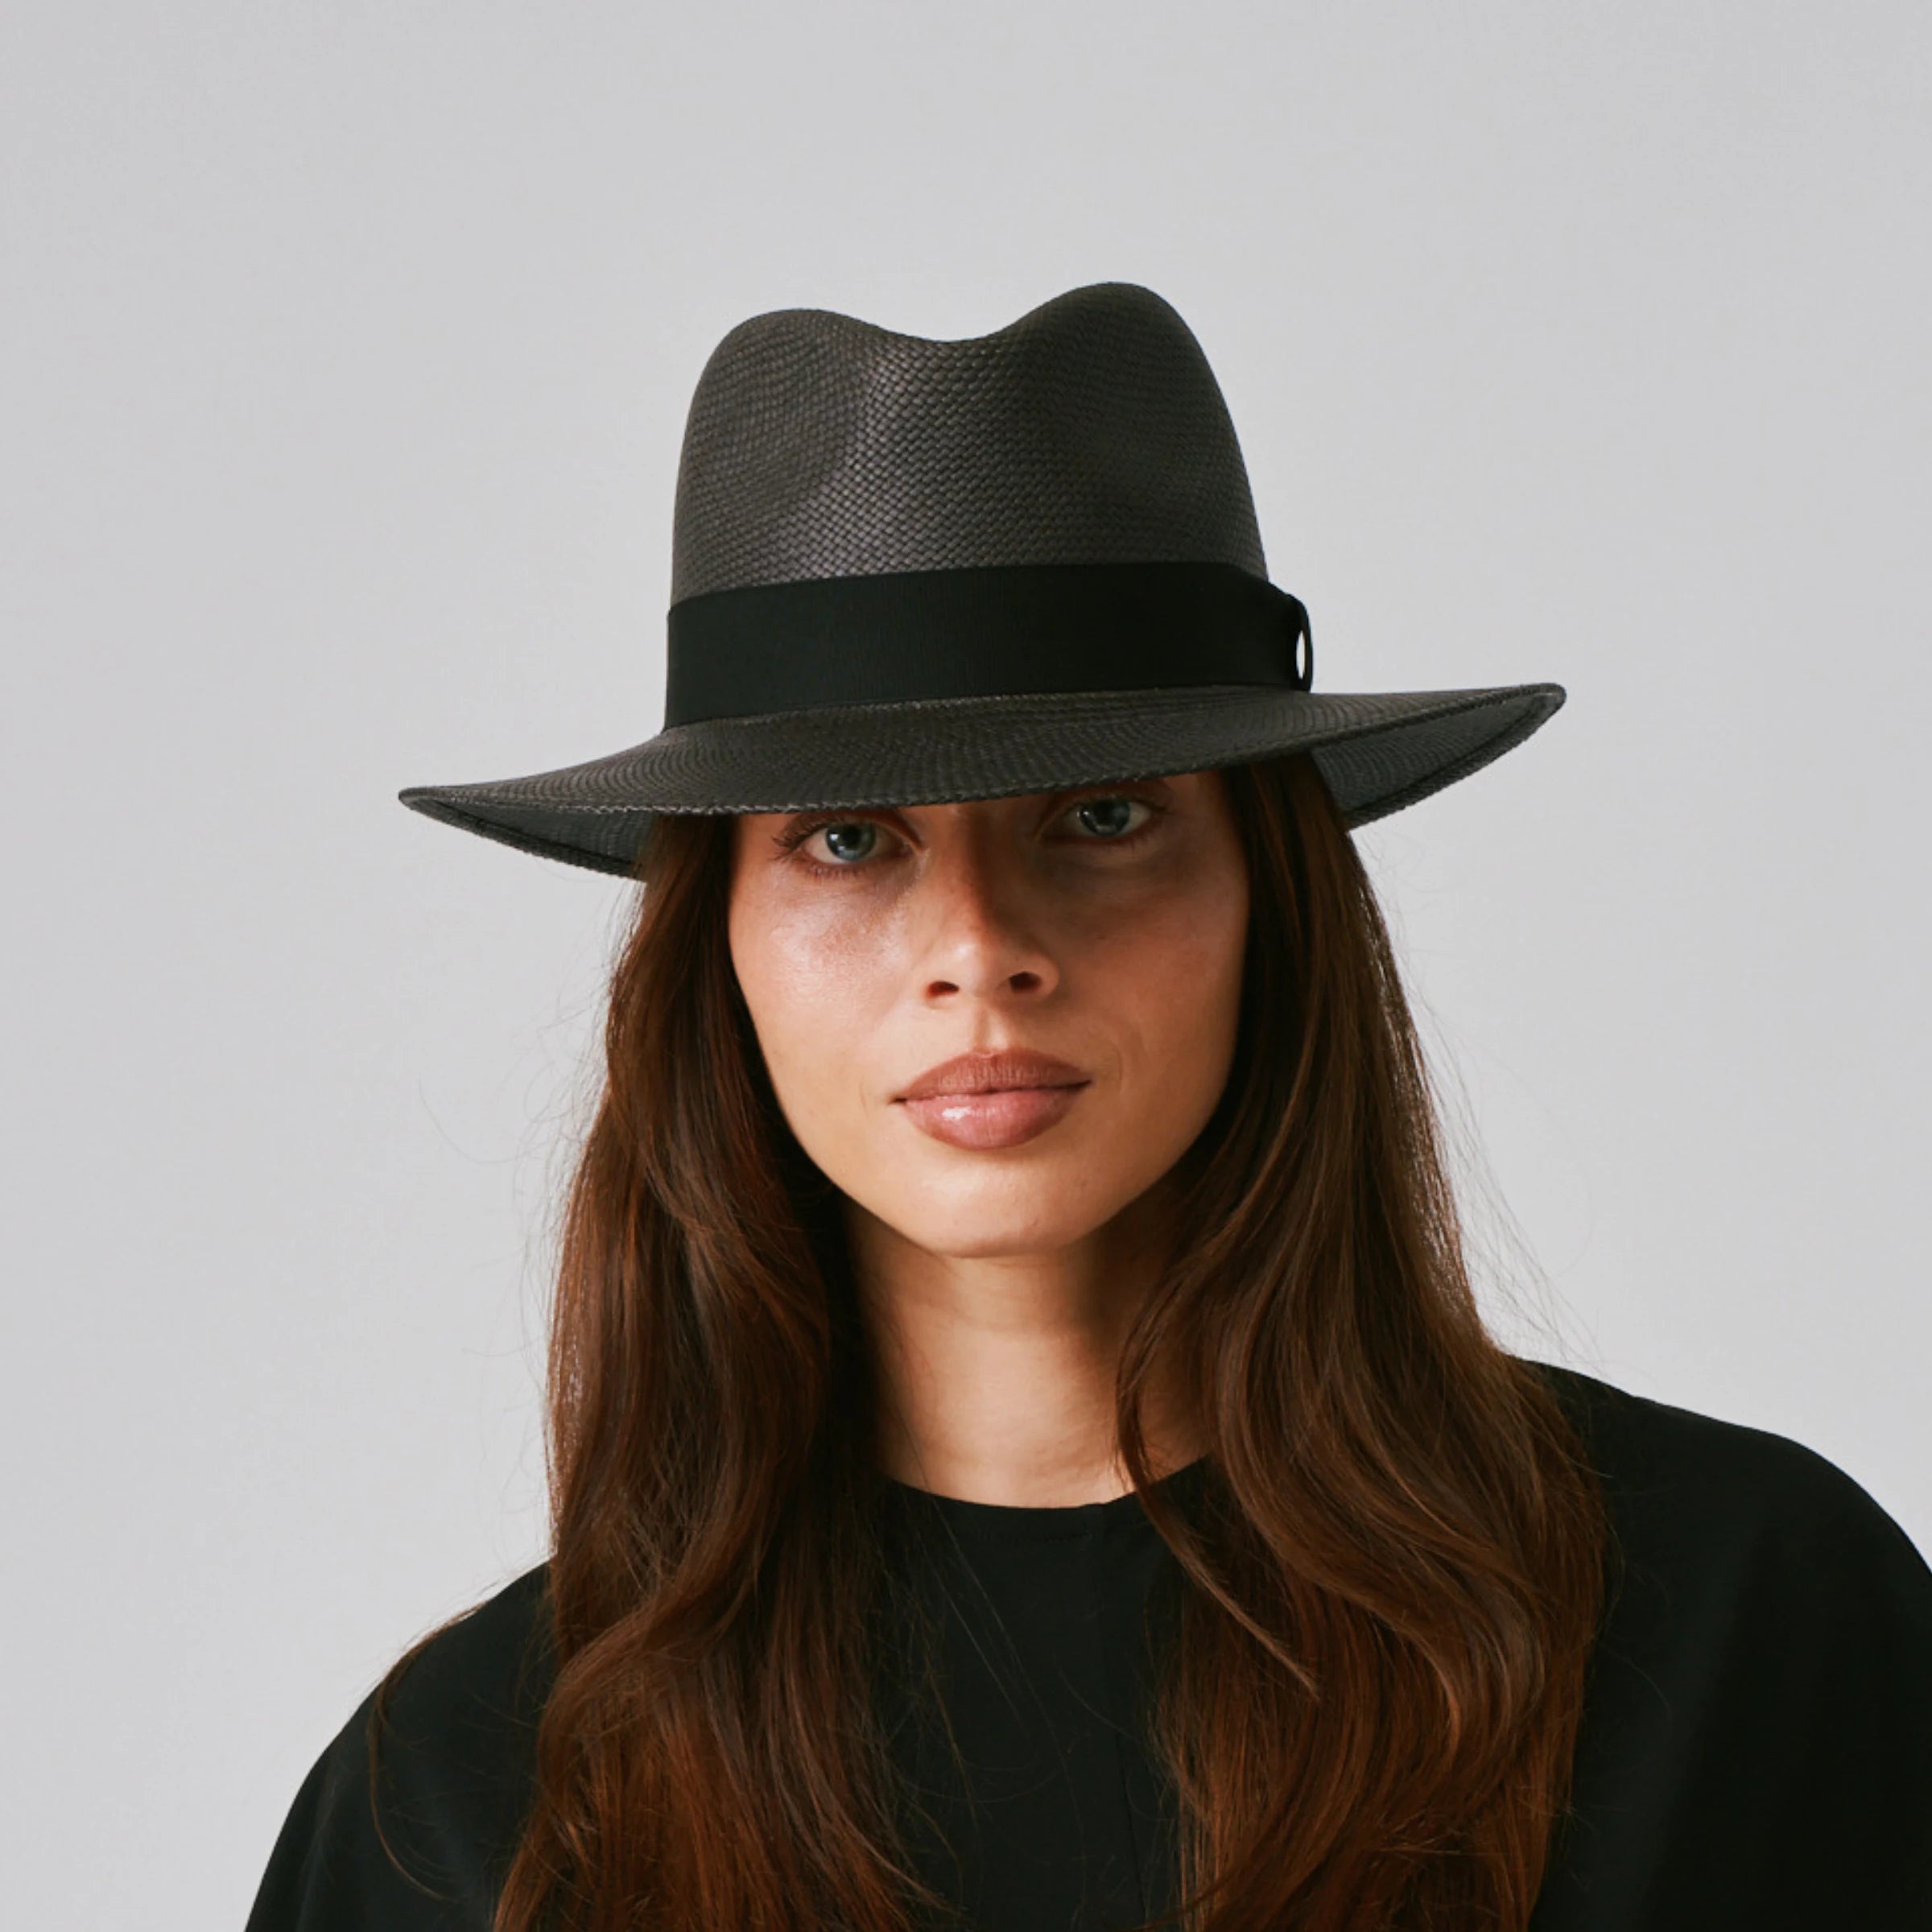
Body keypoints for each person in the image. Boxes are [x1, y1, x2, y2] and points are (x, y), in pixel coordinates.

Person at [245, 283, 1932, 1932]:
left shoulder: (1746, 1640)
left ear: (1271, 890)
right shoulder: (464, 1814)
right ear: (719, 948)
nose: (981, 950)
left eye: (1106, 815)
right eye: (848, 838)